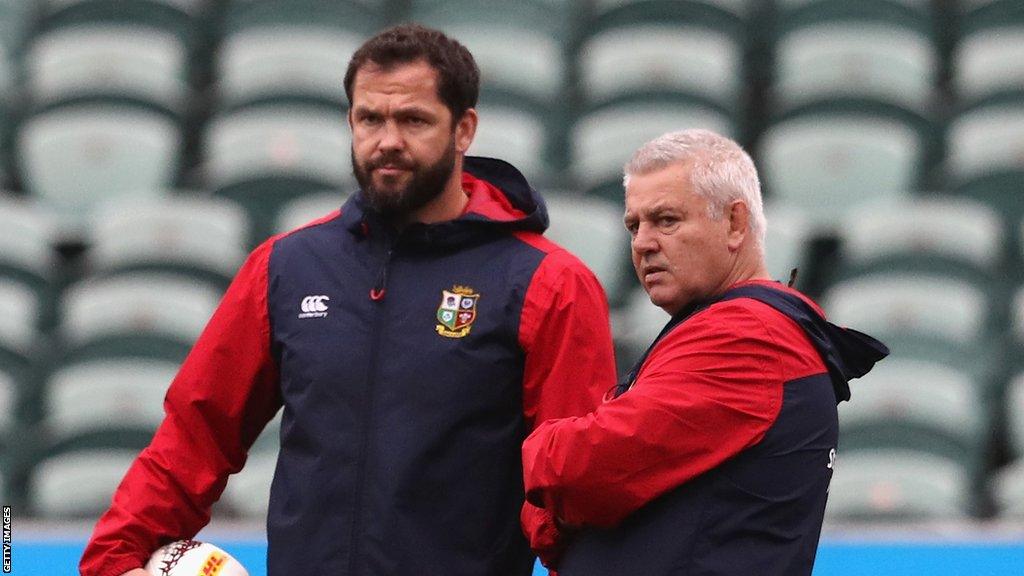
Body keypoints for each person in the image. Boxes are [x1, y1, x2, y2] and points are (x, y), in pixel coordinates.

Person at [80, 24, 616, 576]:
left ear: (464, 129)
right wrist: (112, 560)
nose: (388, 140)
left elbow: (573, 494)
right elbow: (195, 435)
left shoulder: (548, 284)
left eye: (413, 120)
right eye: (370, 119)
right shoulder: (286, 267)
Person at [521, 129, 888, 575]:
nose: (642, 243)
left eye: (666, 220)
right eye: (634, 225)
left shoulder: (747, 336)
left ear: (735, 223)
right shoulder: (739, 327)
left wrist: (534, 448)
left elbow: (577, 468)